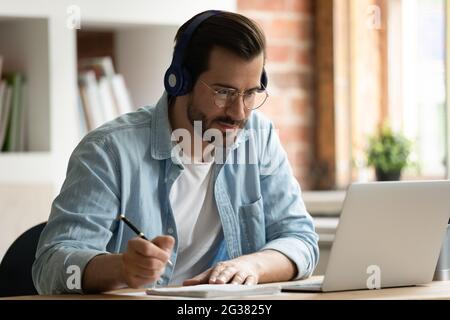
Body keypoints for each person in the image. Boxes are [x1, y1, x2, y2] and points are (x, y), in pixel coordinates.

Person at [32, 10, 319, 294]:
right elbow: (51, 268)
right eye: (224, 92)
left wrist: (253, 266)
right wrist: (121, 268)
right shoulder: (108, 151)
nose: (239, 112)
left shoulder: (259, 138)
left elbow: (301, 240)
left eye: (250, 93)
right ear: (179, 81)